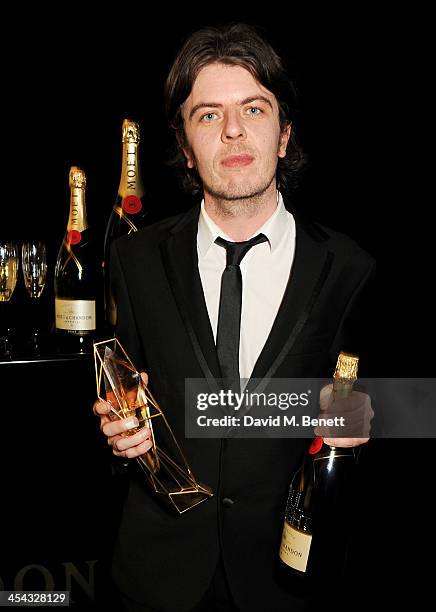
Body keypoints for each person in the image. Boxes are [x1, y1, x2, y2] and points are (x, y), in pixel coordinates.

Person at [93, 23, 375, 611]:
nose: (234, 131)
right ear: (186, 148)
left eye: (254, 107)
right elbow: (119, 384)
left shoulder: (349, 266)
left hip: (287, 576)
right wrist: (117, 431)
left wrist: (369, 418)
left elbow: (406, 407)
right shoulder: (133, 259)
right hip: (157, 576)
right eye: (207, 115)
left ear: (284, 135)